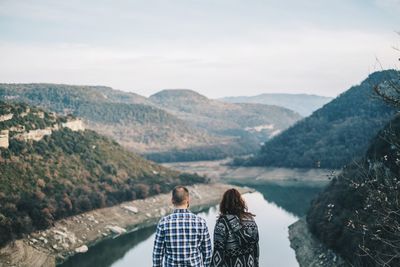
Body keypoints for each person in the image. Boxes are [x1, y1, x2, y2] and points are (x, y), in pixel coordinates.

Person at [152, 186, 212, 267]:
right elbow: (207, 252)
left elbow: (157, 253)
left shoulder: (163, 223)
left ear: (172, 200)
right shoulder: (200, 222)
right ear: (188, 200)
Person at [211, 188, 259, 267]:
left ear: (224, 203)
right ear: (240, 202)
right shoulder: (250, 220)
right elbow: (256, 247)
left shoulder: (222, 223)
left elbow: (218, 252)